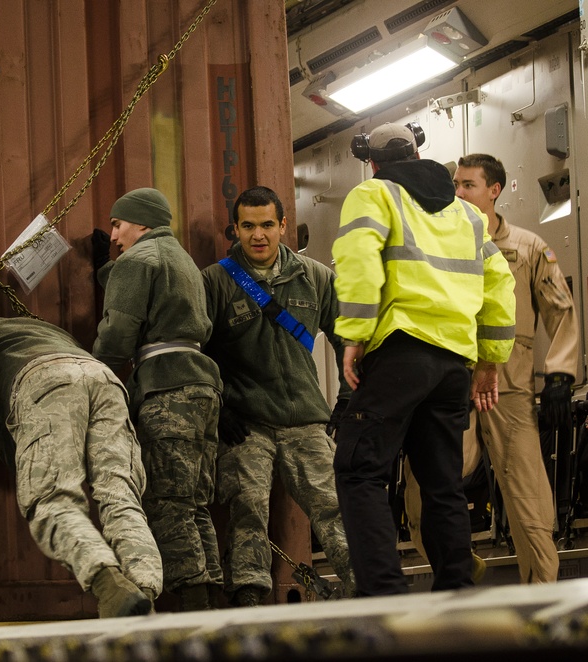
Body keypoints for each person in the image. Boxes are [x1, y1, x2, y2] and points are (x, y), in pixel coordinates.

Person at [331, 123, 516, 596]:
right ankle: (454, 589)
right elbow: (499, 286)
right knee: (442, 483)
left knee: (361, 470)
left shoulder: (373, 195)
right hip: (454, 366)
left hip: (400, 354)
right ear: (418, 152)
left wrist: (354, 333)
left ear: (370, 162)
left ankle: (385, 596)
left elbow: (359, 262)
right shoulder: (468, 215)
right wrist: (489, 361)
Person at [403, 153, 574, 584]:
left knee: (529, 504)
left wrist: (559, 373)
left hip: (510, 391)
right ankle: (458, 568)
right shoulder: (437, 241)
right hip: (451, 389)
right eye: (455, 184)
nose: (458, 192)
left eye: (468, 185)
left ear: (494, 190)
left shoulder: (529, 247)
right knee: (422, 494)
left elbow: (561, 312)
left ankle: (542, 601)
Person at [201, 185, 355, 607]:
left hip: (306, 418)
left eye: (268, 225)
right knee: (247, 510)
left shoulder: (315, 276)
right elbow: (194, 351)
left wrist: (348, 396)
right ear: (235, 228)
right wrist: (220, 407)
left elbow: (349, 336)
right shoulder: (214, 282)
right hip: (246, 423)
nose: (259, 235)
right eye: (248, 226)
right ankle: (248, 600)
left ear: (283, 226)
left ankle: (368, 589)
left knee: (334, 508)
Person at [0, 317, 162, 618]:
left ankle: (109, 586)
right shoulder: (47, 329)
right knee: (121, 498)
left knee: (51, 500)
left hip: (42, 380)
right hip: (101, 376)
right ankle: (144, 594)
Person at [91, 188, 223, 611]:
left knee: (166, 503)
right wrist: (107, 272)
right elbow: (154, 292)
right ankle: (213, 600)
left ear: (142, 224)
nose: (114, 236)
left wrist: (96, 379)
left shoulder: (138, 260)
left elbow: (118, 332)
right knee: (196, 503)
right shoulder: (183, 260)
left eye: (118, 224)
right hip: (203, 385)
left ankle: (193, 613)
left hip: (166, 387)